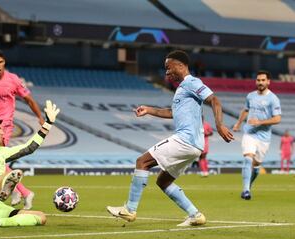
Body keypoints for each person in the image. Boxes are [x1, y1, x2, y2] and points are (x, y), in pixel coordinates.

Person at [106, 50, 234, 226]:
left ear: (180, 65)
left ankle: (129, 209)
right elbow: (173, 113)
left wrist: (219, 125)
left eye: (168, 67)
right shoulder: (182, 88)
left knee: (142, 162)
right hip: (194, 145)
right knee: (163, 181)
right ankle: (195, 215)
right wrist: (149, 110)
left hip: (185, 140)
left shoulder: (192, 82)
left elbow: (214, 100)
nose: (166, 72)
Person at [0, 93, 60, 227]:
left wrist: (48, 124)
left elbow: (29, 147)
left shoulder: (3, 152)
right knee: (10, 174)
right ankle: (7, 185)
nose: (2, 132)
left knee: (41, 217)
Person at [0, 48, 45, 209]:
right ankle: (18, 190)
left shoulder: (13, 80)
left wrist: (39, 117)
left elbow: (29, 100)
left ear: (4, 62)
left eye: (1, 62)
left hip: (4, 125)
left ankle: (22, 192)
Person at [233, 70, 281, 200]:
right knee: (248, 158)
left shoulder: (273, 99)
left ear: (268, 82)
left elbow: (277, 119)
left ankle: (248, 184)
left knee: (256, 165)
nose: (260, 82)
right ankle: (246, 190)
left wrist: (259, 122)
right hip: (249, 133)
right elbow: (246, 110)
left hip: (264, 138)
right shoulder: (250, 96)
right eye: (258, 80)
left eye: (263, 80)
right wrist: (238, 124)